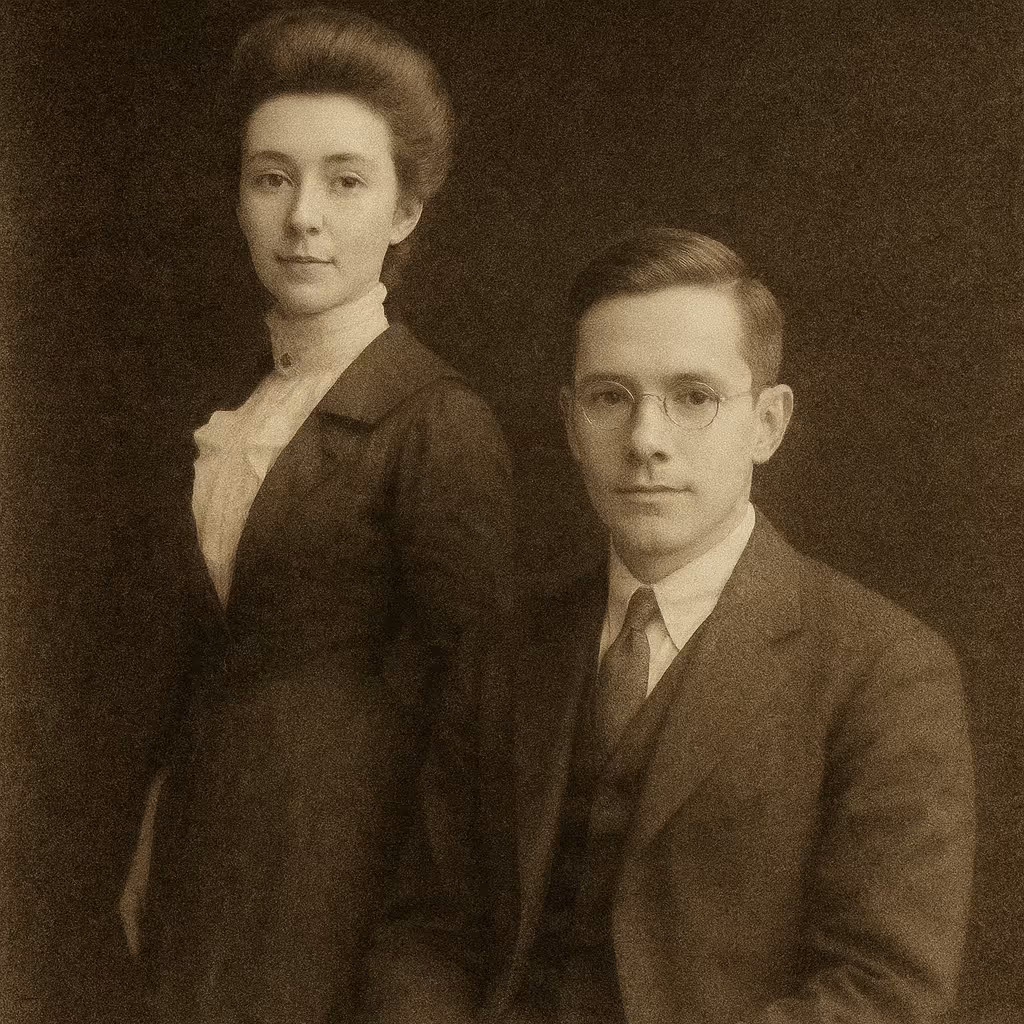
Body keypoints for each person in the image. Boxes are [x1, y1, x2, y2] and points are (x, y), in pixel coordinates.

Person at [365, 228, 976, 1023]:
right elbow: (428, 933)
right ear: (571, 424)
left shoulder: (887, 672)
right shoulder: (508, 650)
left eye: (693, 397)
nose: (646, 442)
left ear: (768, 422)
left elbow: (883, 993)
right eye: (609, 397)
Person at [133, 7, 515, 1023]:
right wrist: (157, 826)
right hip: (207, 861)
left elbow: (467, 707)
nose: (304, 215)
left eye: (345, 181)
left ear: (404, 211)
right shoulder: (246, 409)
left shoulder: (436, 421)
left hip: (341, 877)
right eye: (272, 177)